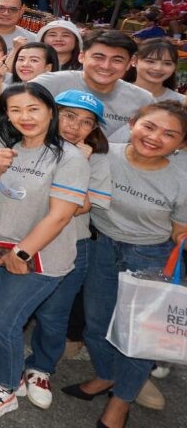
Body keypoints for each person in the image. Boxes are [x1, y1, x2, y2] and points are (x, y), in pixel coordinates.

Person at [0, 83, 89, 419]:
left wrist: (21, 253)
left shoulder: (69, 157)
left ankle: (5, 389)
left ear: (50, 111)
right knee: (4, 320)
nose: (24, 117)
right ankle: (9, 375)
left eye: (33, 109)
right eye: (15, 110)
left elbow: (61, 215)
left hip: (39, 259)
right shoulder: (11, 147)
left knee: (3, 322)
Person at [68, 102, 187, 428]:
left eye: (169, 134)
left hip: (151, 255)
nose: (154, 137)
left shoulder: (183, 175)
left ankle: (122, 400)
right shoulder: (104, 153)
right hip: (100, 245)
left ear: (181, 144)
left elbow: (180, 229)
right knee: (95, 323)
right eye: (149, 126)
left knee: (139, 336)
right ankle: (106, 375)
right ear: (133, 122)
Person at [31, 30, 152, 138]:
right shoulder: (48, 84)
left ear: (129, 63)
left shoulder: (143, 100)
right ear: (82, 56)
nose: (106, 66)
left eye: (117, 60)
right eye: (98, 57)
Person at [128, 37, 184, 103]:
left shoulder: (181, 102)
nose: (158, 68)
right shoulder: (115, 91)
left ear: (175, 66)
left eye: (167, 63)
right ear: (134, 60)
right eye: (150, 61)